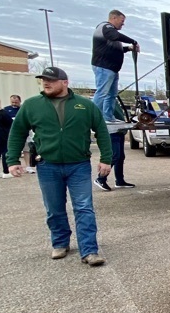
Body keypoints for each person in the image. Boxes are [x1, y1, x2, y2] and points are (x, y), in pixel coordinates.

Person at [6, 66, 113, 265]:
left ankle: (89, 250)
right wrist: (12, 160)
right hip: (48, 165)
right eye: (43, 80)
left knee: (84, 208)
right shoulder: (31, 105)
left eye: (51, 80)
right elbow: (17, 133)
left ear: (65, 82)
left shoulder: (84, 105)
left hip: (78, 165)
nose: (46, 83)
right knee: (54, 208)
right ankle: (60, 243)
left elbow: (102, 131)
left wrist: (106, 158)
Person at [92, 10, 140, 122]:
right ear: (114, 18)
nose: (123, 24)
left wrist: (128, 48)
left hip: (112, 69)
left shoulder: (110, 34)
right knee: (102, 93)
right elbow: (115, 36)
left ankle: (108, 117)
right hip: (104, 67)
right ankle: (93, 118)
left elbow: (114, 49)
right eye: (122, 21)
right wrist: (133, 41)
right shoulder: (106, 28)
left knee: (112, 94)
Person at [94, 100, 135, 191]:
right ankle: (101, 178)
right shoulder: (105, 99)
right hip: (111, 131)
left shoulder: (113, 100)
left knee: (120, 157)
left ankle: (119, 181)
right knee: (115, 155)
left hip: (119, 130)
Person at [0, 96, 13, 178]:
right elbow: (11, 124)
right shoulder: (3, 113)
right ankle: (6, 171)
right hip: (3, 136)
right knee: (5, 152)